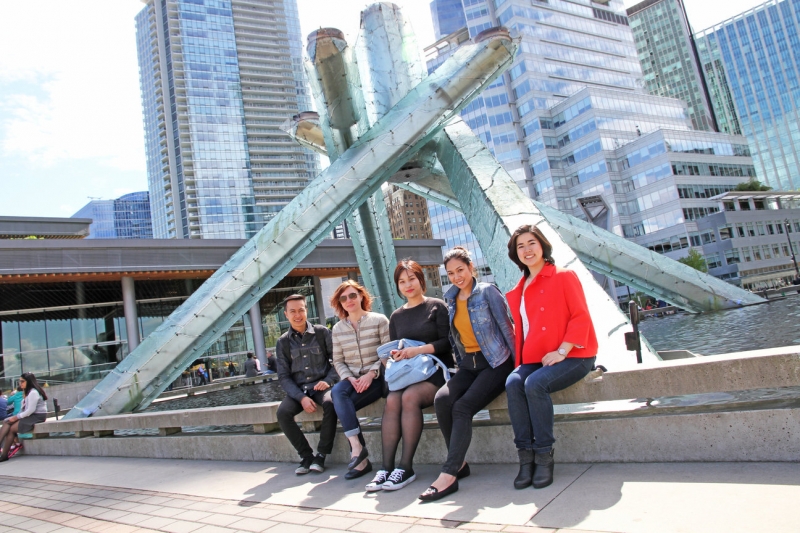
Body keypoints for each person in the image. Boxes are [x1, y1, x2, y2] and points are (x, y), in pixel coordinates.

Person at [504, 225, 597, 489]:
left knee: (535, 384)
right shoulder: (520, 288)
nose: (527, 250)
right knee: (513, 383)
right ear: (515, 254)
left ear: (543, 245)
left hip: (575, 354)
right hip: (538, 357)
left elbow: (580, 316)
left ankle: (544, 456)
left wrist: (562, 351)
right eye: (520, 246)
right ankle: (526, 457)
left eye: (531, 243)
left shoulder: (564, 276)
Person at [419, 246, 515, 502]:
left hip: (496, 362)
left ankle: (449, 473)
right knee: (442, 400)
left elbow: (507, 329)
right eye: (450, 273)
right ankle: (459, 463)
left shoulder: (487, 292)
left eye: (460, 270)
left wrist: (519, 366)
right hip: (469, 365)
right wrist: (461, 364)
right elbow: (455, 338)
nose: (456, 277)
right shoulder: (450, 298)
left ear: (471, 268)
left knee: (462, 407)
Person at [365, 260, 453, 492]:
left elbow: (447, 343)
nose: (408, 285)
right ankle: (386, 468)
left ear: (421, 279)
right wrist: (396, 355)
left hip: (436, 370)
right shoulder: (396, 316)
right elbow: (398, 346)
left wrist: (418, 350)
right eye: (402, 281)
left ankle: (405, 467)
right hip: (410, 373)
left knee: (409, 397)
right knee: (393, 399)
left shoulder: (437, 306)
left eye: (412, 279)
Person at [330, 280, 390, 480]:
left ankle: (361, 461)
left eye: (352, 295)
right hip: (352, 379)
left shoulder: (379, 320)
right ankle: (357, 448)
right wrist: (349, 377)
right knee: (337, 391)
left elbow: (387, 354)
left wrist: (371, 373)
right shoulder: (337, 329)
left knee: (343, 406)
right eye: (343, 298)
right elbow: (338, 360)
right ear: (340, 303)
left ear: (361, 296)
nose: (349, 300)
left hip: (377, 379)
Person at [275, 294, 339, 475]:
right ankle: (306, 456)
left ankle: (321, 454)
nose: (298, 315)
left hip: (321, 387)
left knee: (331, 403)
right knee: (282, 413)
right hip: (299, 390)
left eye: (301, 310)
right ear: (286, 314)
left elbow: (338, 362)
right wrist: (301, 397)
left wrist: (328, 381)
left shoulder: (321, 333)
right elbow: (283, 377)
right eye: (293, 311)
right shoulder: (283, 342)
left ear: (306, 310)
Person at [0, 373, 48, 462]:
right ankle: (4, 455)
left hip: (36, 416)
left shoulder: (33, 392)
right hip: (30, 415)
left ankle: (4, 455)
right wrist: (15, 417)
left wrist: (16, 417)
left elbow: (30, 410)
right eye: (19, 381)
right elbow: (24, 410)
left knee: (11, 428)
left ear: (28, 381)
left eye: (22, 381)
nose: (20, 383)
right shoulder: (27, 392)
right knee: (6, 421)